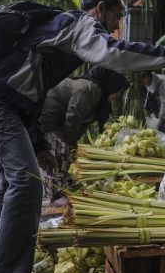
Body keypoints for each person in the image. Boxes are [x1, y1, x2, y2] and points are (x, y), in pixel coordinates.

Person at [0, 0, 165, 273]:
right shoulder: (79, 23)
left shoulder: (57, 31)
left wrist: (41, 142)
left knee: (11, 179)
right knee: (26, 182)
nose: (115, 26)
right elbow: (112, 55)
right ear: (100, 8)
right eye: (116, 15)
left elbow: (30, 92)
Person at [39, 67, 130, 205]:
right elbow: (73, 116)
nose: (118, 95)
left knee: (67, 149)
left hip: (57, 117)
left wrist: (73, 142)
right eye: (119, 91)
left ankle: (64, 185)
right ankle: (54, 196)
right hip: (49, 114)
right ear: (112, 84)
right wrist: (70, 141)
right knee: (60, 148)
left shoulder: (98, 95)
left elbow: (82, 123)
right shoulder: (90, 89)